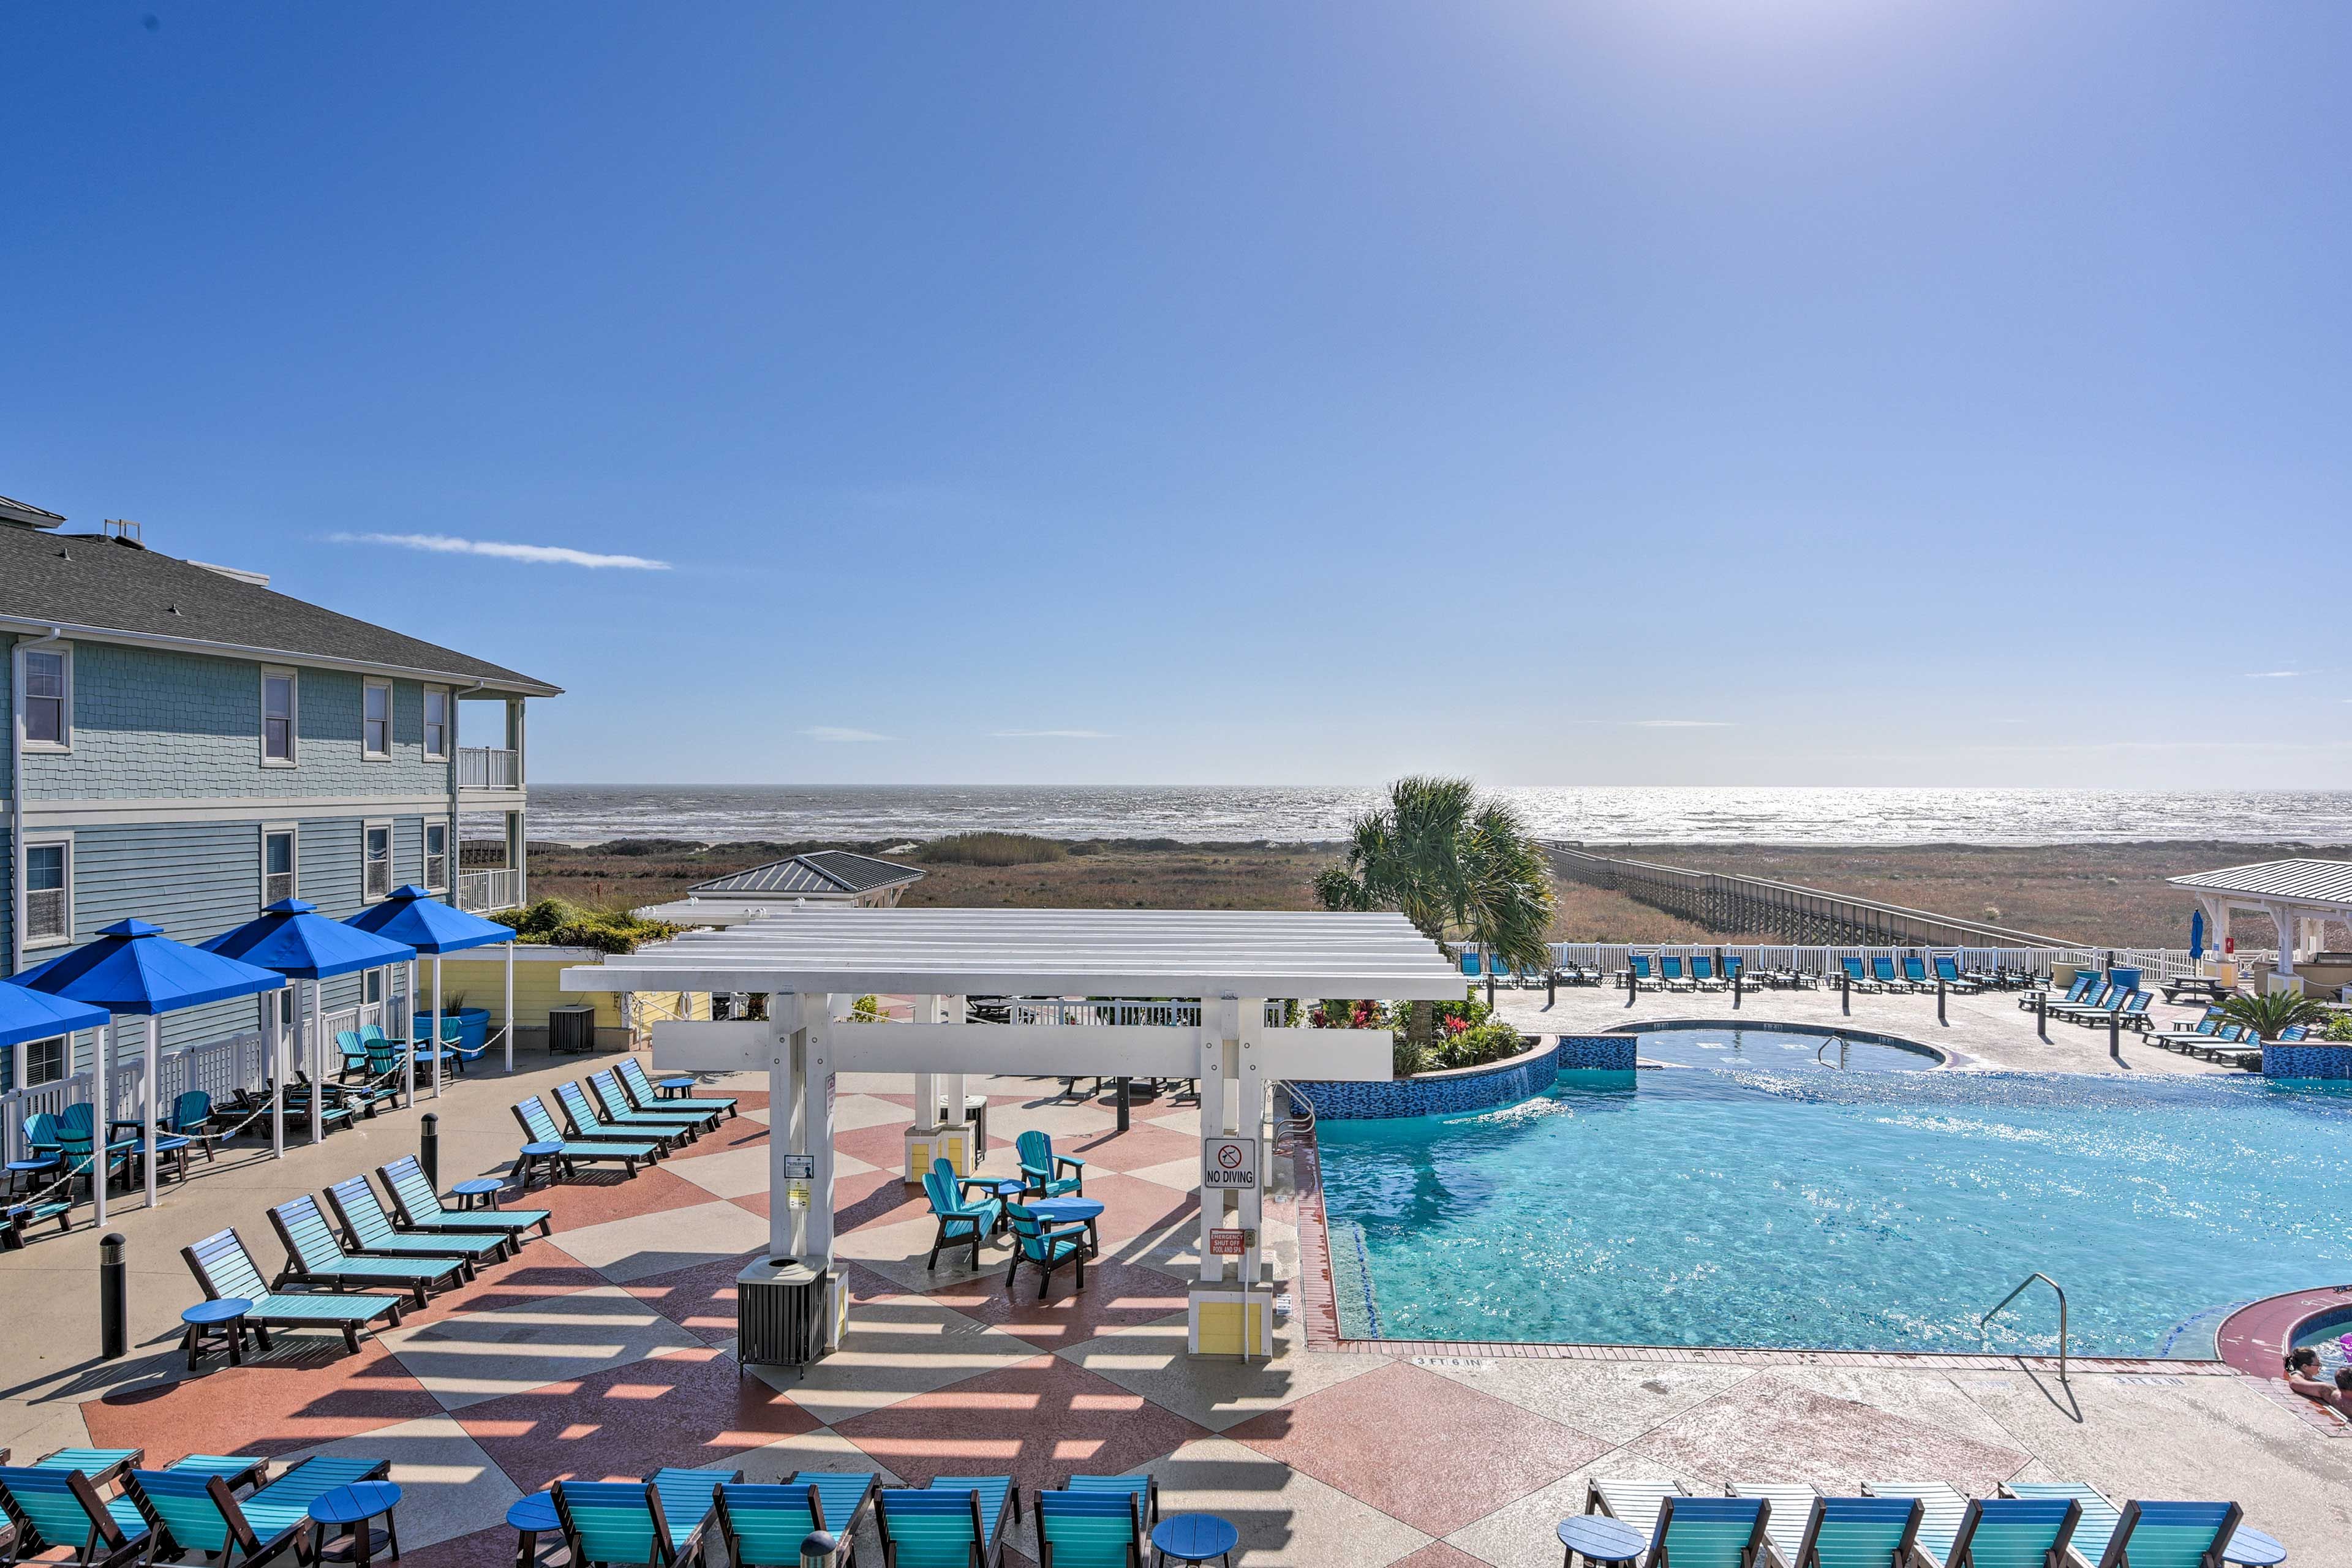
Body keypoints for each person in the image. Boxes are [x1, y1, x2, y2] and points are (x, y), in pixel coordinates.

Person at [2283, 1348, 2352, 1416]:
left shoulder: (2331, 1393)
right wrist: (2298, 1373)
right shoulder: (2328, 1390)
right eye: (2318, 1364)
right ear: (2305, 1367)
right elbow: (2295, 1382)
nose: (2320, 1366)